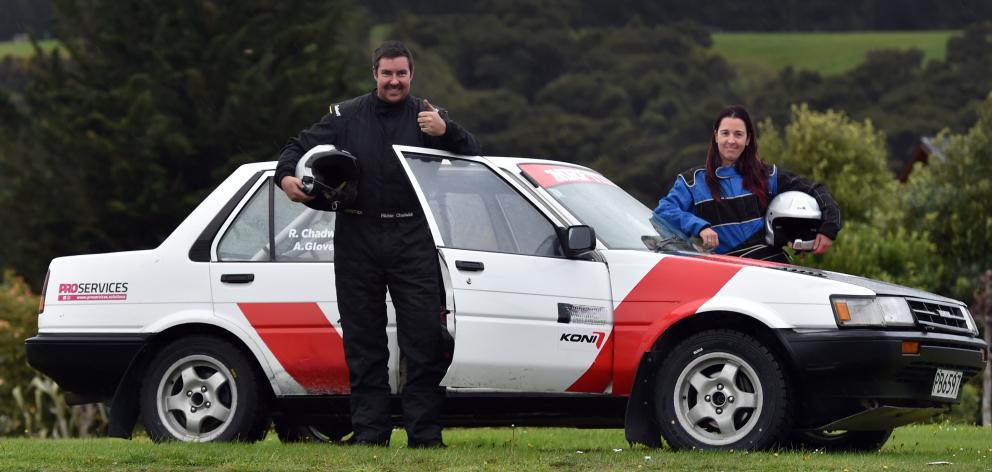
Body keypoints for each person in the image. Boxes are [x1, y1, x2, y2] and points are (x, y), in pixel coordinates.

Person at [275, 40, 481, 448]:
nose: (394, 81)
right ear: (375, 74)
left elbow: (474, 156)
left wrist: (448, 131)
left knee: (423, 339)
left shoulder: (429, 116)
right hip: (357, 234)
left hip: (413, 238)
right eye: (386, 73)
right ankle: (370, 434)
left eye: (401, 74)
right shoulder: (347, 115)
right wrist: (286, 180)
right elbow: (295, 148)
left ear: (411, 75)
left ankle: (425, 436)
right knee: (364, 340)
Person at [654, 105, 841, 262]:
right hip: (727, 275)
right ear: (716, 136)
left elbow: (816, 190)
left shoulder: (768, 176)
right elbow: (663, 211)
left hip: (774, 266)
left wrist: (829, 229)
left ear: (748, 139)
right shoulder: (692, 181)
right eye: (725, 133)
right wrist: (699, 226)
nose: (731, 141)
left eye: (738, 134)